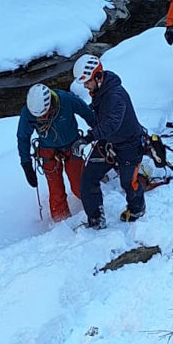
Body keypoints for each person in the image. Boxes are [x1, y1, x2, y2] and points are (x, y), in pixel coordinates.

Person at [73, 54, 147, 229]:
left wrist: (89, 137)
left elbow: (112, 123)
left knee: (128, 182)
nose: (85, 86)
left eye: (87, 81)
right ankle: (96, 219)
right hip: (107, 144)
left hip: (129, 145)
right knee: (88, 179)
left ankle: (137, 209)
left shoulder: (115, 95)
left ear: (98, 77)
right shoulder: (100, 91)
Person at [16, 83, 95, 223]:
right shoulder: (28, 113)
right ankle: (61, 223)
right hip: (48, 152)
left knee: (79, 187)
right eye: (37, 117)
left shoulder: (67, 100)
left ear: (50, 105)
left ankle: (94, 207)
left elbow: (87, 113)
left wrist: (100, 133)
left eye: (43, 115)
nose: (40, 119)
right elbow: (23, 137)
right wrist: (26, 164)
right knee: (56, 192)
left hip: (72, 146)